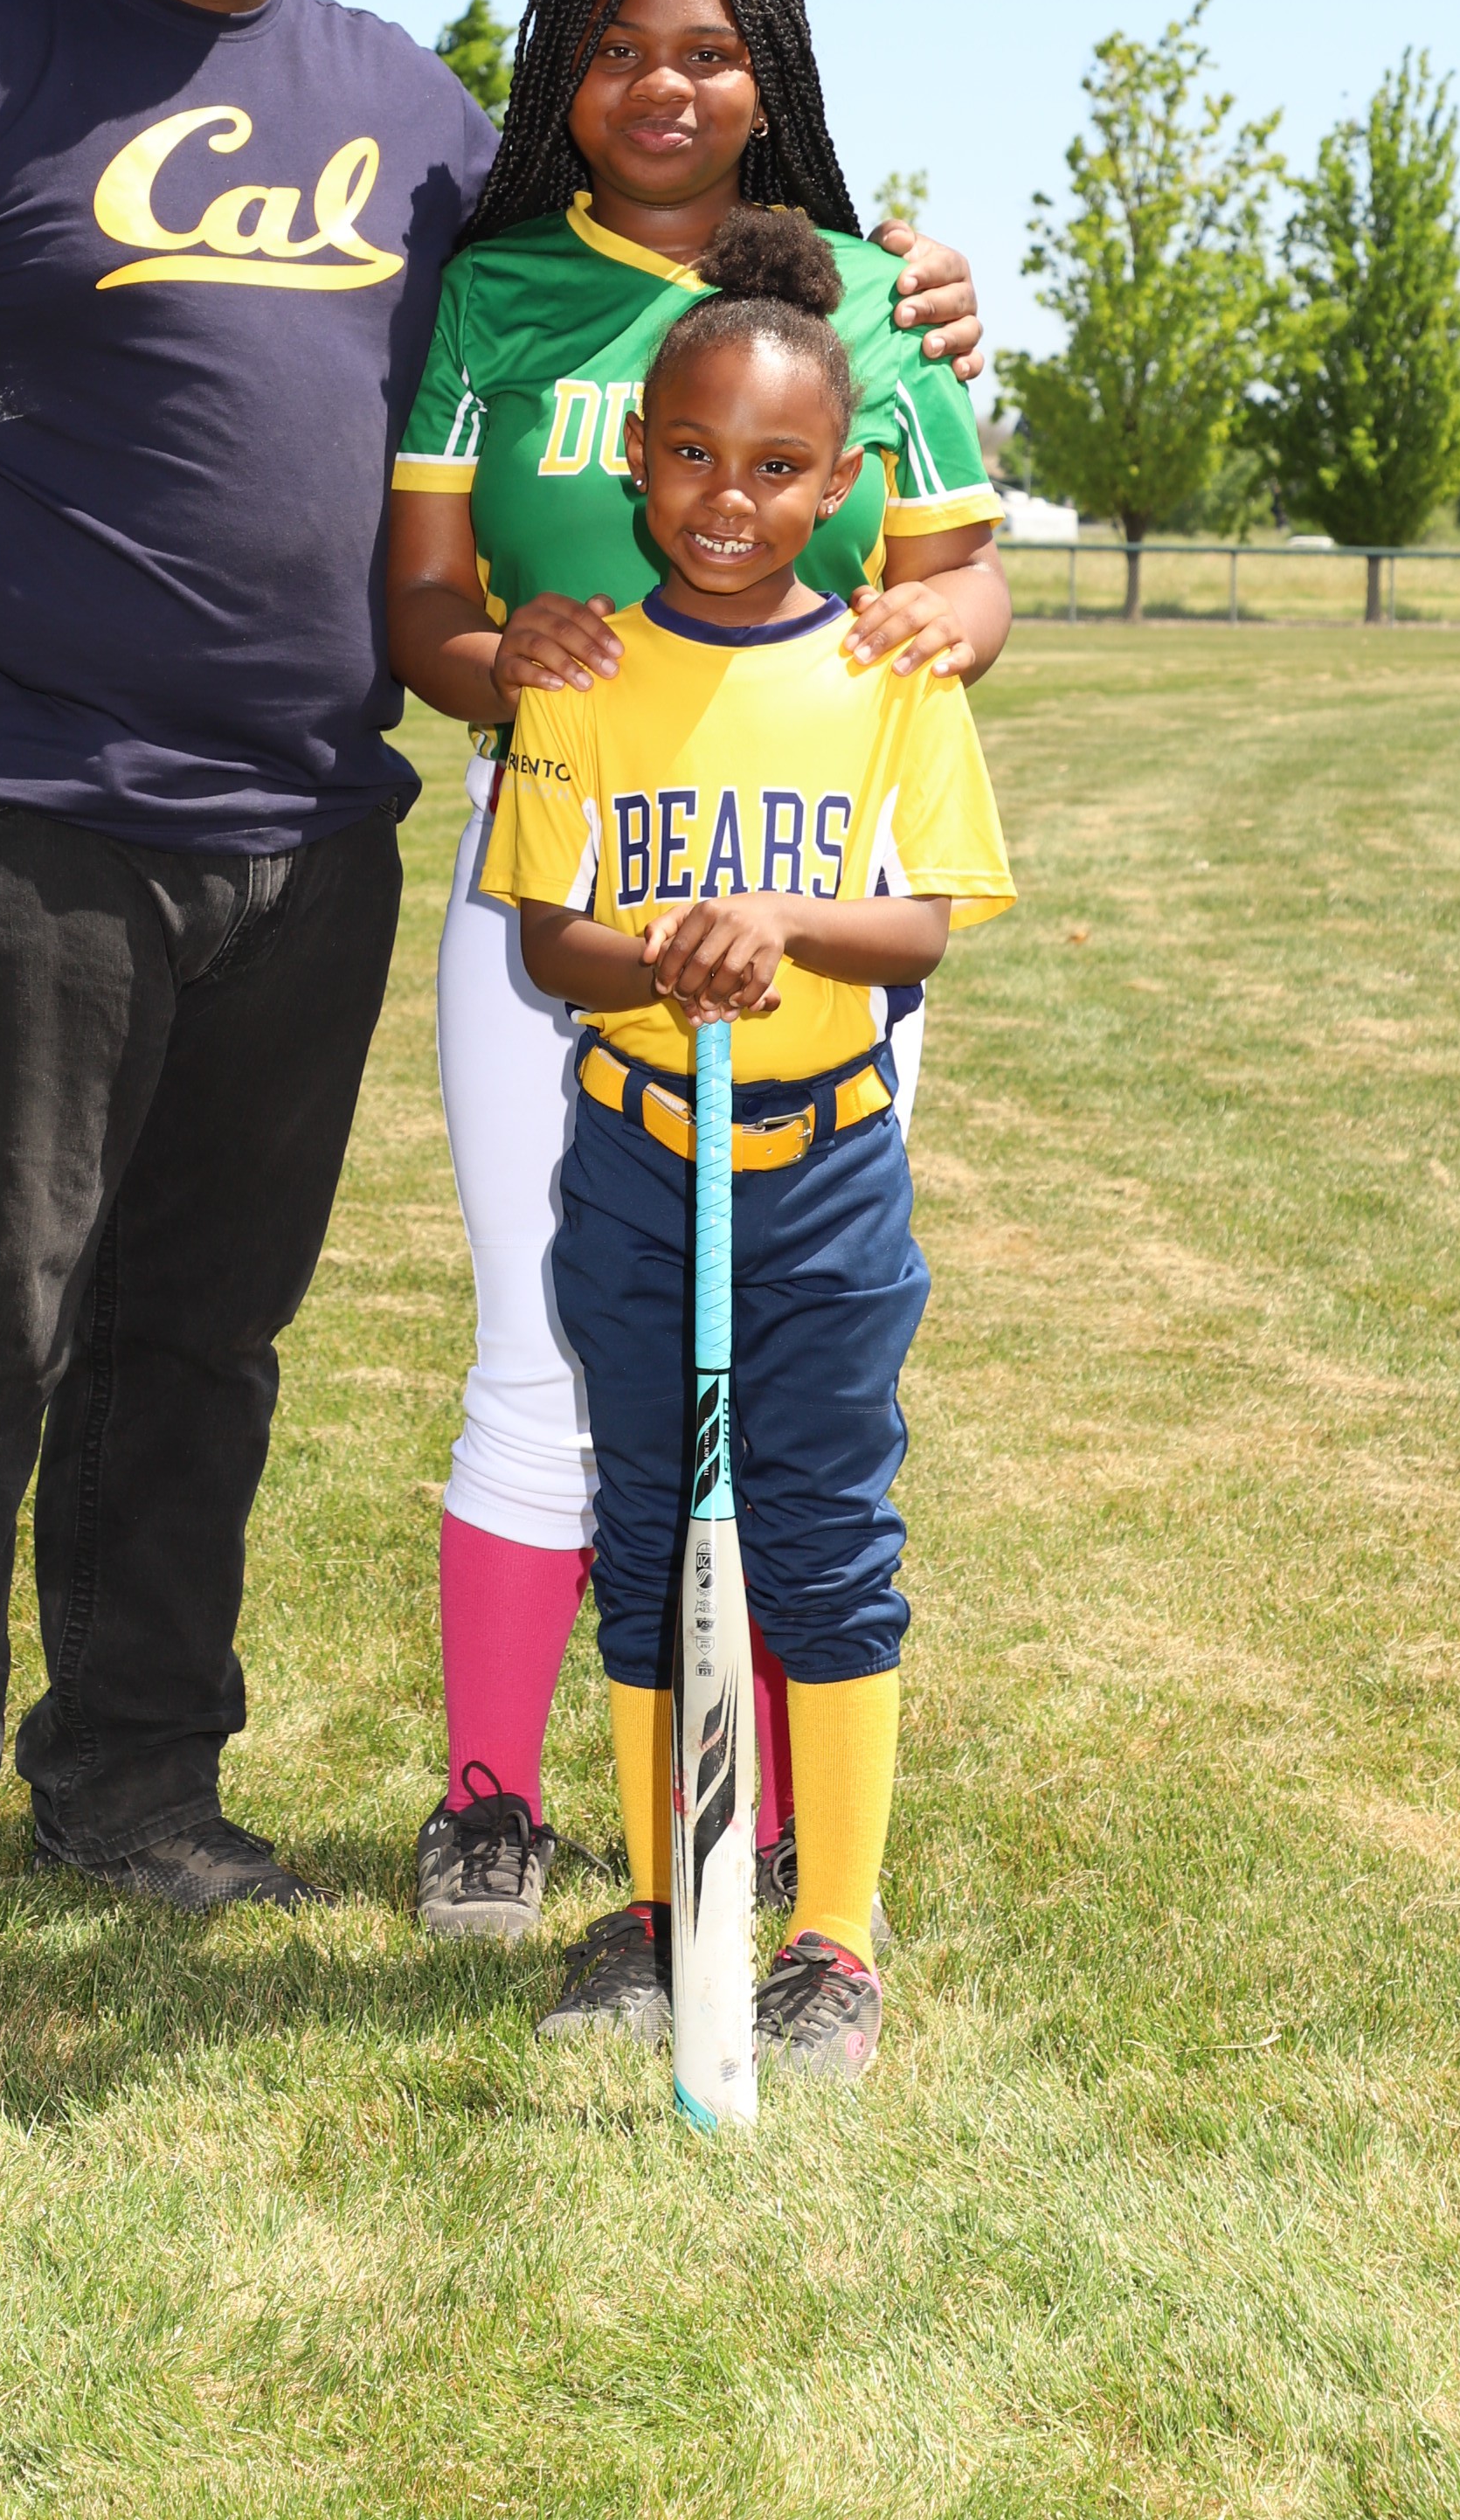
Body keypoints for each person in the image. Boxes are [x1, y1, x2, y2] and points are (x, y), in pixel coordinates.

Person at [0, 0, 986, 2030]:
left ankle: (136, 1779)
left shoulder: (413, 110)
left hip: (298, 817)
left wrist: (893, 295)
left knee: (199, 1330)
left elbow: (637, 284)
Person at [386, 0, 1007, 1942]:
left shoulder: (870, 295)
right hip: (563, 863)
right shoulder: (494, 293)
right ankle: (495, 1801)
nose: (664, 85)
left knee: (792, 1369)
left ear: (774, 78)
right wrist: (502, 656)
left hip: (813, 883)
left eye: (711, 50)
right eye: (619, 47)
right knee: (545, 1338)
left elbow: (962, 583)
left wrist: (928, 632)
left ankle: (784, 1835)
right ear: (561, 74)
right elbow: (422, 611)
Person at [480, 211, 1014, 2076]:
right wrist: (665, 954)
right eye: (694, 454)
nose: (730, 497)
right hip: (638, 1163)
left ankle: (832, 1938)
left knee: (823, 1535)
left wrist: (772, 925)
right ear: (636, 458)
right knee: (652, 1530)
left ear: (841, 486)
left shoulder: (889, 671)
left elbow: (918, 929)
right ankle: (662, 1907)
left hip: (827, 1171)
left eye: (779, 467)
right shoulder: (576, 675)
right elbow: (551, 940)